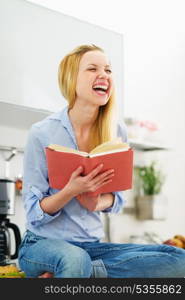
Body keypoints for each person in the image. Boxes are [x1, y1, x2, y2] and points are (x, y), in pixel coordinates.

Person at [18, 44, 185, 278]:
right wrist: (71, 191)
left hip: (94, 247)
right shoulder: (42, 132)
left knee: (179, 260)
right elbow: (34, 210)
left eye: (108, 70)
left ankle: (81, 273)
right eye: (93, 69)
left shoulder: (116, 131)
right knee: (74, 259)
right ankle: (75, 269)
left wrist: (95, 202)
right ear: (71, 79)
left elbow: (116, 199)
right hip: (42, 244)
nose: (104, 75)